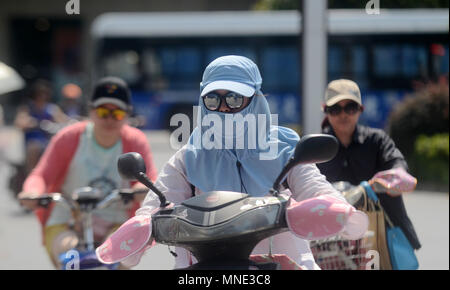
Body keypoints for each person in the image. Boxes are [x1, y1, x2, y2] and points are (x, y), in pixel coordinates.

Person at [127, 55, 364, 270]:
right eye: (212, 99)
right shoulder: (190, 155)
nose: (223, 108)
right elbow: (158, 202)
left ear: (255, 98)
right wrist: (138, 231)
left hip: (285, 264)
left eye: (233, 98)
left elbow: (314, 187)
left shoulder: (285, 147)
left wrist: (340, 211)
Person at [18, 76, 158, 268]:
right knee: (71, 254)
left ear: (127, 114)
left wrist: (141, 190)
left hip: (117, 222)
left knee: (120, 253)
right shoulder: (69, 137)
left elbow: (148, 179)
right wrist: (32, 193)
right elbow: (41, 174)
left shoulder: (135, 141)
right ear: (91, 111)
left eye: (116, 113)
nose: (109, 119)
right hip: (67, 219)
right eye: (102, 112)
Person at [316, 79, 421, 252]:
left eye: (350, 107)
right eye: (335, 109)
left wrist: (397, 176)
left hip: (382, 235)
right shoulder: (316, 146)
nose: (343, 115)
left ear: (360, 110)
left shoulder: (377, 140)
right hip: (330, 243)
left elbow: (397, 163)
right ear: (325, 110)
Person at [14, 79, 68, 174]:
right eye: (39, 94)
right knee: (34, 148)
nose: (42, 96)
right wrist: (32, 123)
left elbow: (64, 120)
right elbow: (20, 123)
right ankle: (31, 176)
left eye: (45, 93)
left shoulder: (52, 108)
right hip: (32, 141)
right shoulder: (27, 108)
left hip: (48, 140)